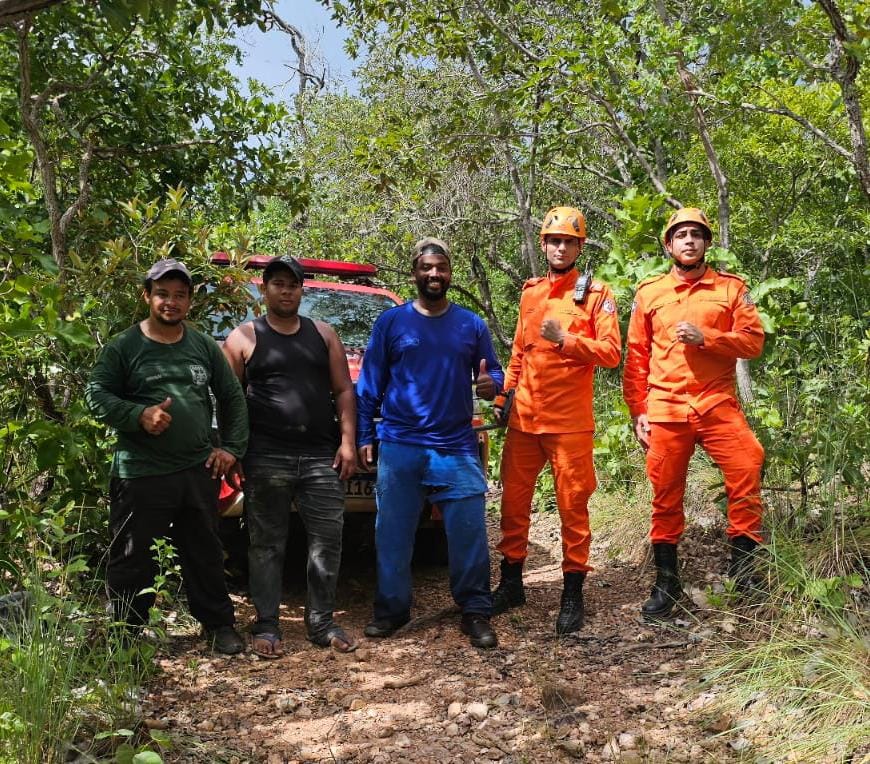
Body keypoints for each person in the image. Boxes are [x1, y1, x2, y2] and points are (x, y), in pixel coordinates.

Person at [85, 258, 248, 654]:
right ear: (147, 296)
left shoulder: (202, 346)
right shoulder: (125, 346)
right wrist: (138, 415)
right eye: (162, 294)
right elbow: (96, 394)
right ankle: (125, 635)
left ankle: (218, 626)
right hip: (140, 471)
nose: (170, 302)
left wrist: (230, 448)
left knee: (204, 551)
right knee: (132, 556)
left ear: (189, 301)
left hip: (196, 468)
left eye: (179, 295)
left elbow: (231, 397)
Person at [356, 237, 505, 649]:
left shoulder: (471, 325)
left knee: (468, 532)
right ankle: (391, 610)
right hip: (400, 443)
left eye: (440, 267)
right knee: (392, 533)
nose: (434, 274)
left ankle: (475, 610)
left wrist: (492, 385)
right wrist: (365, 434)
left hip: (455, 444)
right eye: (426, 268)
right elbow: (370, 385)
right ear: (414, 273)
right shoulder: (391, 323)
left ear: (450, 273)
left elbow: (494, 374)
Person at [623, 207, 766, 619]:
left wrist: (709, 338)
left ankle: (743, 571)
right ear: (669, 245)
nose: (689, 240)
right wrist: (638, 409)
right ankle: (667, 584)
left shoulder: (731, 288)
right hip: (666, 409)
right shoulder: (649, 292)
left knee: (747, 464)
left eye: (696, 234)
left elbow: (753, 342)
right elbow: (636, 355)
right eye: (681, 235)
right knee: (665, 496)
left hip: (716, 403)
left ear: (706, 243)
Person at [491, 206, 622, 635]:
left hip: (569, 424)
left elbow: (611, 352)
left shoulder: (597, 295)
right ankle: (511, 583)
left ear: (580, 247)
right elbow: (518, 352)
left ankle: (573, 592)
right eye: (554, 240)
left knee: (572, 507)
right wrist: (504, 397)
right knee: (513, 503)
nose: (560, 247)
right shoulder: (530, 292)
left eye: (569, 241)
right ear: (544, 244)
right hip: (524, 420)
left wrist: (566, 340)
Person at [221, 255, 358, 658]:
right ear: (263, 290)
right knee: (266, 544)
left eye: (293, 284)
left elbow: (344, 391)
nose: (286, 290)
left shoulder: (324, 334)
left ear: (302, 289)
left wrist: (347, 441)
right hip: (266, 456)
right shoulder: (243, 338)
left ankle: (321, 622)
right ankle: (266, 626)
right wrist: (235, 449)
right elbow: (230, 401)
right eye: (277, 283)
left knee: (327, 541)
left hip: (320, 455)